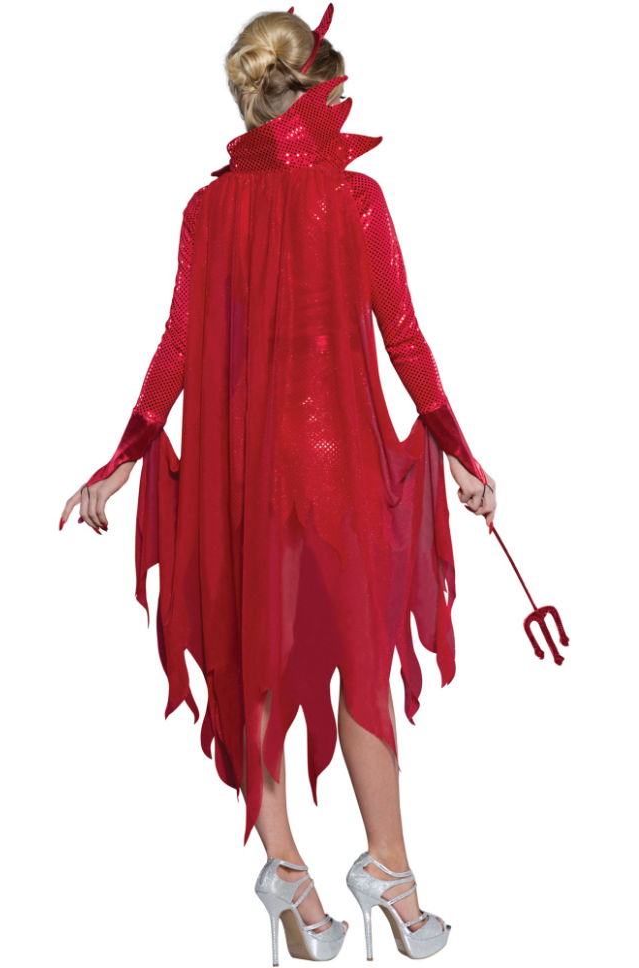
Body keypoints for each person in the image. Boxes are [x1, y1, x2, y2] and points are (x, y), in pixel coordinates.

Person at [60, 5, 496, 962]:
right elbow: (402, 335)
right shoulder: (356, 198)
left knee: (256, 660)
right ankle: (388, 872)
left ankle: (290, 871)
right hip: (339, 472)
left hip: (250, 478)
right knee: (362, 667)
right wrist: (458, 449)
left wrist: (124, 455)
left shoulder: (208, 210)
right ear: (318, 89)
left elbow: (178, 346)